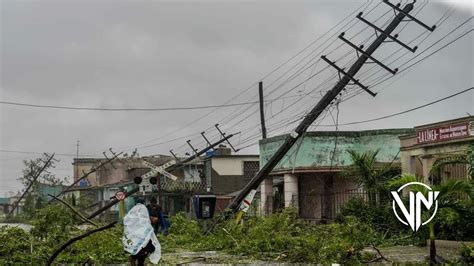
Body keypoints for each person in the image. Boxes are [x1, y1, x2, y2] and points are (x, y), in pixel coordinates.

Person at [123, 198, 161, 265]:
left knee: (137, 251)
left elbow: (127, 220)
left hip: (136, 237)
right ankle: (134, 258)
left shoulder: (133, 210)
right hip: (143, 238)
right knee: (142, 255)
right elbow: (146, 220)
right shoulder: (144, 209)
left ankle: (133, 258)